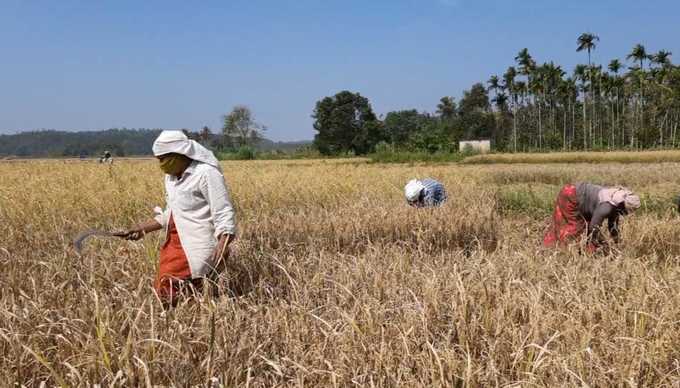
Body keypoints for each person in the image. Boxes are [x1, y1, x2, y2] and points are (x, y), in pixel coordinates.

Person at [114, 130, 237, 306]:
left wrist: (224, 243)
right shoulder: (170, 178)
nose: (161, 164)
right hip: (173, 242)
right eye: (159, 159)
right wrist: (141, 228)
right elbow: (171, 212)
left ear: (180, 153)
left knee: (173, 289)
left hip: (196, 243)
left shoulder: (205, 173)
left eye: (164, 158)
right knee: (176, 294)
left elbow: (223, 211)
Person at [543, 182, 640, 252]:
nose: (626, 214)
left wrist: (618, 243)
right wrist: (594, 244)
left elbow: (613, 227)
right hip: (571, 196)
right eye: (626, 211)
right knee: (574, 230)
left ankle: (564, 249)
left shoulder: (615, 203)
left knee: (582, 231)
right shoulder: (607, 207)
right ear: (622, 205)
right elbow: (593, 228)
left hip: (575, 192)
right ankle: (562, 252)